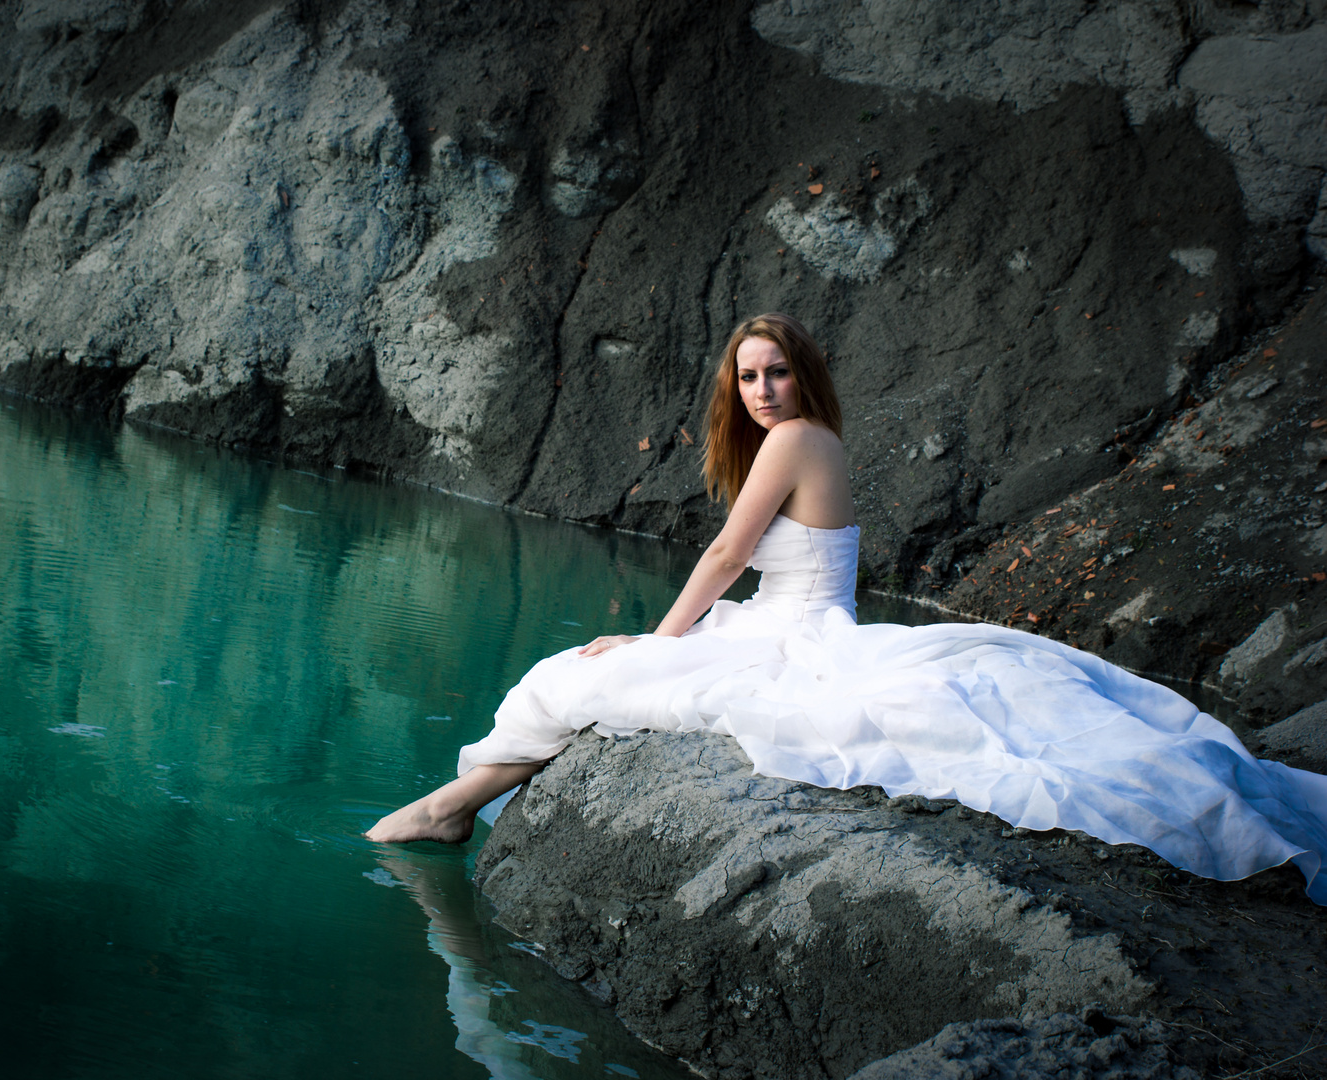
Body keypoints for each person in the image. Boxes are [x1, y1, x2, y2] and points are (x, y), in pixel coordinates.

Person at [366, 314, 1327, 906]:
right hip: (780, 622)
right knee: (575, 678)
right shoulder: (799, 442)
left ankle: (449, 809)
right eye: (747, 376)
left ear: (803, 374)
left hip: (798, 636)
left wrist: (658, 643)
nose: (761, 389)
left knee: (583, 675)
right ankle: (451, 809)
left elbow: (726, 553)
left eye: (775, 371)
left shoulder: (797, 439)